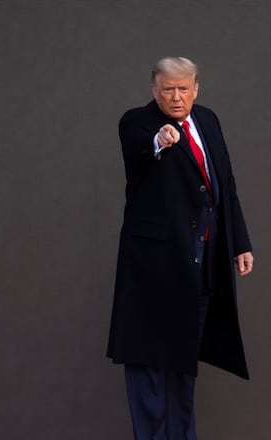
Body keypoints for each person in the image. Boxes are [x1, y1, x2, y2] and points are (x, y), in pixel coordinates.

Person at [106, 56, 254, 440]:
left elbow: (226, 184)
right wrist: (160, 140)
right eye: (168, 89)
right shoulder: (137, 122)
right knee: (149, 365)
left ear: (196, 89)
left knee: (183, 368)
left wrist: (239, 243)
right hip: (155, 269)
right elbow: (139, 147)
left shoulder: (207, 119)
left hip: (199, 265)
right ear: (154, 89)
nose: (176, 97)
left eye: (183, 88)